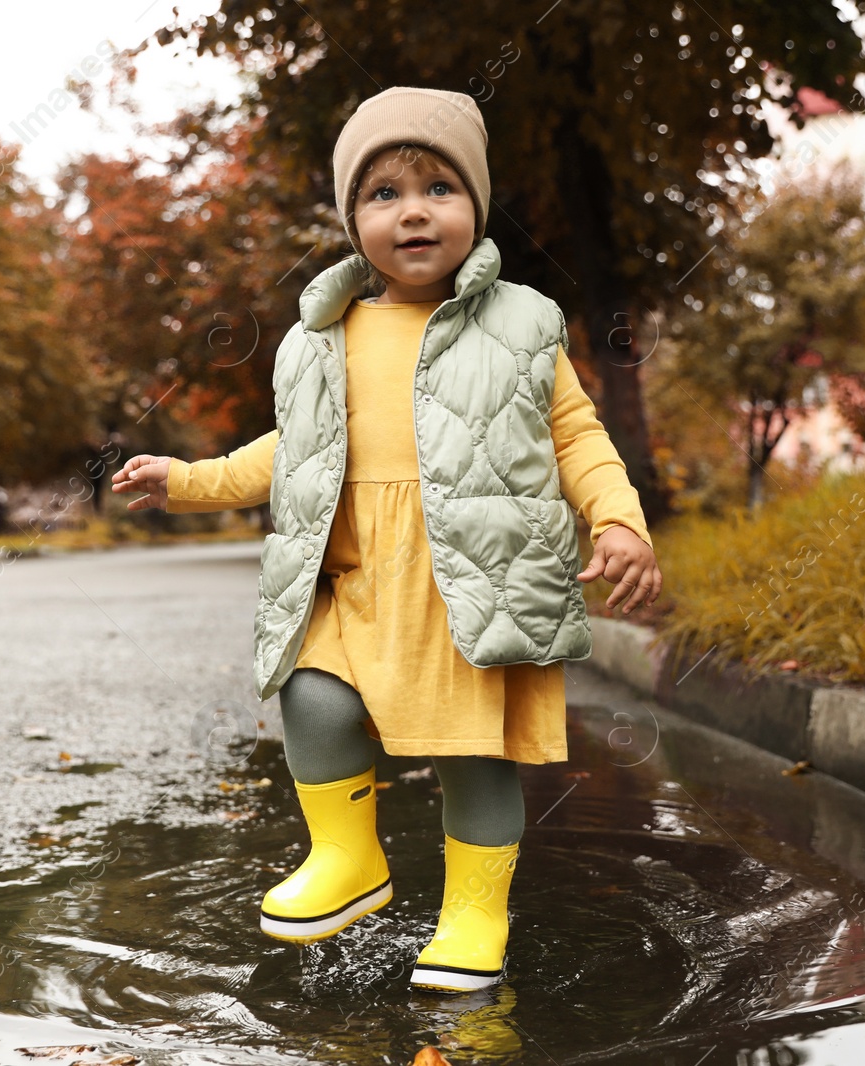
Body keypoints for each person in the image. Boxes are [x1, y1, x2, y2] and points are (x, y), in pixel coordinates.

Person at [110, 85, 662, 994]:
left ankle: (475, 913)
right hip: (360, 585)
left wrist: (619, 521)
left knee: (473, 760)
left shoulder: (522, 323)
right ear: (353, 220)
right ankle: (348, 855)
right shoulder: (321, 338)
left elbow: (576, 437)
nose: (414, 210)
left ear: (475, 207)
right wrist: (188, 482)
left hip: (474, 583)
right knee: (313, 698)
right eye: (384, 193)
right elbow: (290, 453)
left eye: (440, 187)